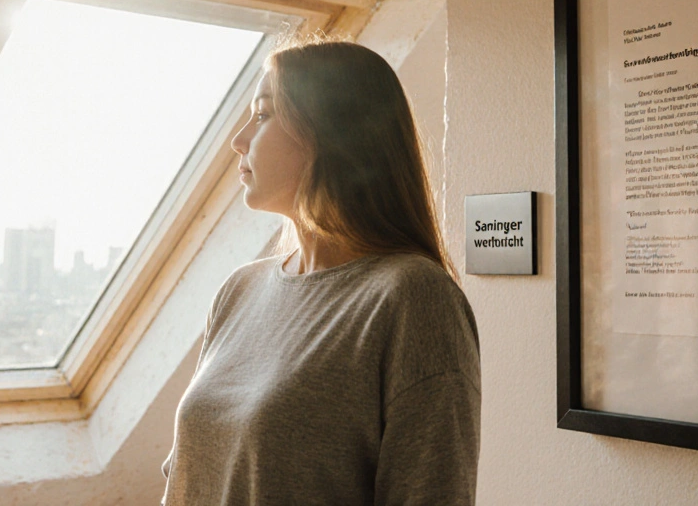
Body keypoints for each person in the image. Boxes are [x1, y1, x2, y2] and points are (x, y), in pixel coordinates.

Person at [160, 37, 481, 506]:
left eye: (264, 114)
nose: (239, 139)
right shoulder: (239, 290)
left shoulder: (413, 298)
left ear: (331, 131)